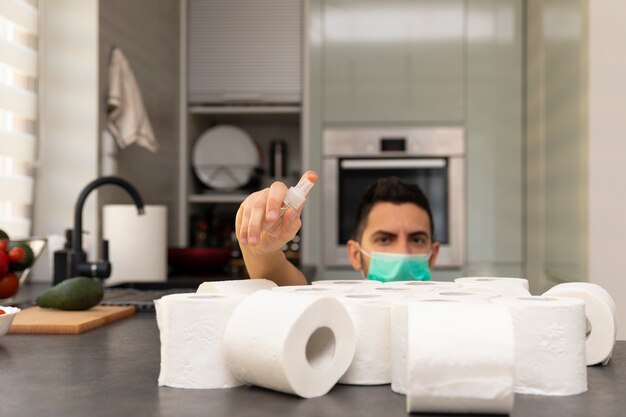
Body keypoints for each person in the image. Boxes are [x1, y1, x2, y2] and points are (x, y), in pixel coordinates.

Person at [235, 171, 439, 286]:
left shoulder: (453, 317)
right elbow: (283, 283)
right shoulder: (336, 318)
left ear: (433, 255)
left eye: (416, 239)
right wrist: (261, 249)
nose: (402, 253)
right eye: (385, 239)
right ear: (355, 254)